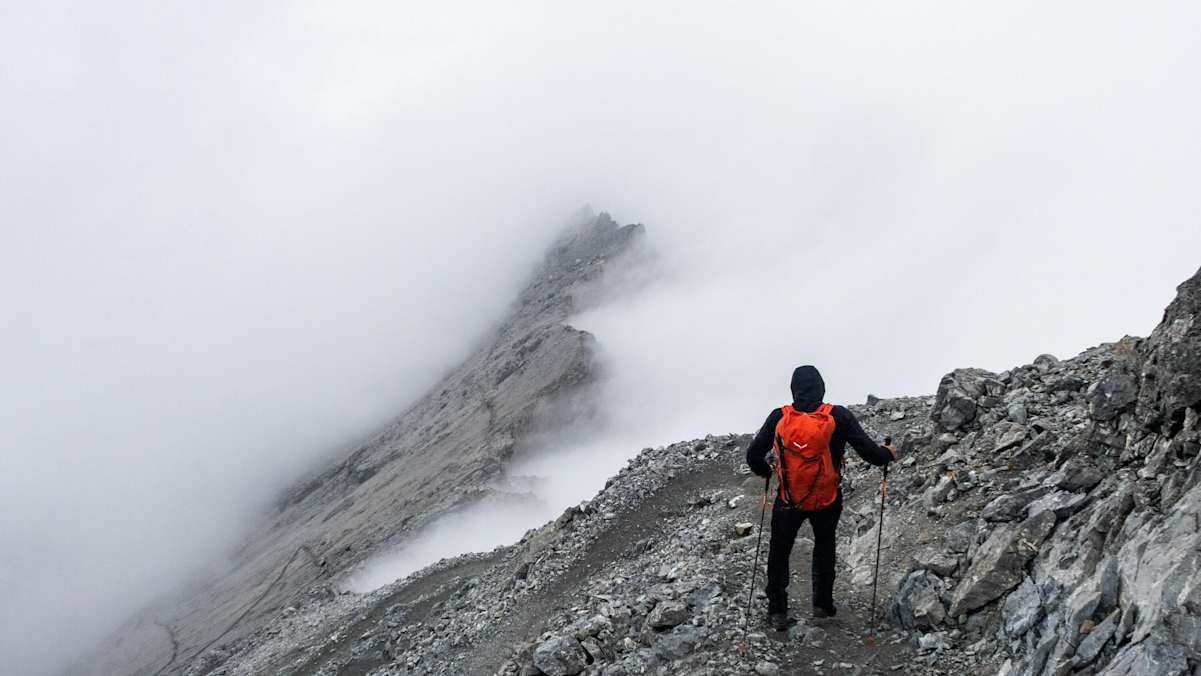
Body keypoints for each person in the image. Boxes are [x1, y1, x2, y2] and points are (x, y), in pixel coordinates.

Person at [745, 365, 895, 630]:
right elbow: (871, 454)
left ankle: (777, 611)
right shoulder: (838, 416)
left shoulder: (779, 416)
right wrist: (888, 452)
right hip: (826, 498)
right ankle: (823, 606)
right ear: (822, 388)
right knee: (824, 547)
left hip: (788, 499)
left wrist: (766, 470)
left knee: (779, 552)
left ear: (793, 390)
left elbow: (753, 455)